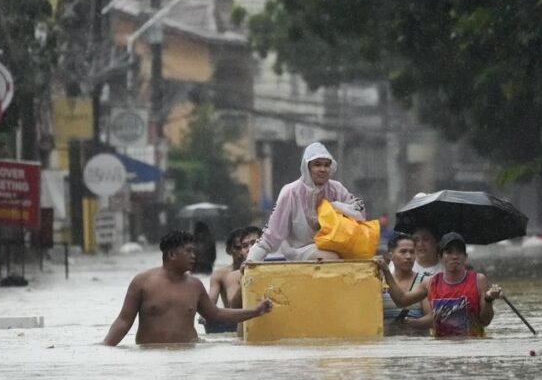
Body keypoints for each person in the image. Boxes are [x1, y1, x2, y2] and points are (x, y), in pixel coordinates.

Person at [103, 230, 272, 346]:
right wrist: (105, 348)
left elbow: (217, 314)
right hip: (151, 360)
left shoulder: (194, 285)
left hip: (189, 356)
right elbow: (124, 321)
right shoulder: (142, 282)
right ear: (171, 254)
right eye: (189, 251)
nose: (194, 256)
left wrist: (255, 311)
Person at [246, 142, 365, 263]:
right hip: (300, 250)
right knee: (331, 259)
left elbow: (359, 209)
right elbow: (271, 233)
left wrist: (336, 207)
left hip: (336, 246)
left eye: (326, 165)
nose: (322, 169)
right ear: (307, 167)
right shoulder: (290, 192)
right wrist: (251, 261)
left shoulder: (337, 188)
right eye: (317, 165)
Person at [373, 232, 503, 338]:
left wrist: (489, 299)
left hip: (472, 345)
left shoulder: (478, 280)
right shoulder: (430, 282)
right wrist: (386, 271)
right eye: (449, 252)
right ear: (440, 257)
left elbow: (485, 321)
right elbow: (401, 301)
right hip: (441, 348)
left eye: (459, 253)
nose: (454, 257)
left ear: (465, 257)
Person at [204, 226, 262, 334]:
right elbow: (233, 307)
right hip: (238, 328)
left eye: (254, 243)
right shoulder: (230, 276)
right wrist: (245, 277)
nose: (249, 249)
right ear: (229, 250)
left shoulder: (279, 269)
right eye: (243, 246)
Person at [379, 233, 432, 335]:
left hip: (418, 345)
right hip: (387, 347)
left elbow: (433, 317)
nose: (408, 256)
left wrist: (416, 323)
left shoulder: (424, 281)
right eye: (403, 252)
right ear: (391, 255)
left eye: (412, 252)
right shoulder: (380, 283)